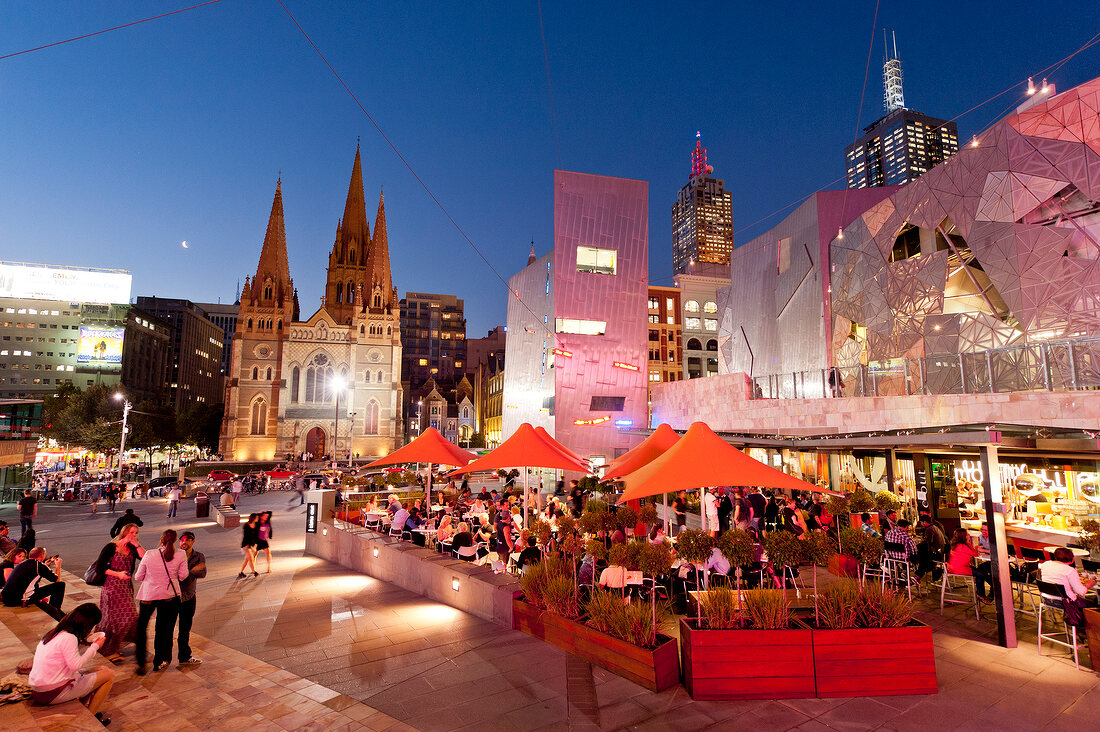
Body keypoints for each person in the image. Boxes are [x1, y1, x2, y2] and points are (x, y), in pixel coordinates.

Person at [28, 603, 114, 725]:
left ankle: (85, 711)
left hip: (40, 689)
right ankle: (89, 720)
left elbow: (70, 657)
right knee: (109, 674)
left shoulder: (55, 632)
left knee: (101, 669)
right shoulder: (69, 638)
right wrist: (95, 646)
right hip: (51, 693)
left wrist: (87, 644)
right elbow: (75, 665)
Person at [133, 530, 188, 675]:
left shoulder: (149, 554)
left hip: (148, 596)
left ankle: (140, 662)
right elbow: (183, 576)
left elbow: (138, 576)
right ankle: (159, 661)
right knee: (163, 629)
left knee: (141, 628)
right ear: (175, 540)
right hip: (169, 596)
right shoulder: (181, 554)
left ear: (161, 540)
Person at [94, 523, 145, 663]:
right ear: (124, 532)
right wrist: (118, 574)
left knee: (130, 616)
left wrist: (137, 544)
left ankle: (116, 645)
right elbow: (100, 568)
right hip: (111, 586)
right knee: (114, 619)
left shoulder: (132, 548)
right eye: (131, 532)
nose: (133, 535)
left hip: (126, 587)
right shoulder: (111, 547)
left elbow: (146, 558)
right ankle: (109, 649)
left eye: (136, 533)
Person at [1, 547, 65, 619]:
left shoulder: (22, 564)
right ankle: (55, 609)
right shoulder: (39, 566)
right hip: (17, 600)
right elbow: (56, 580)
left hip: (7, 598)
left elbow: (33, 577)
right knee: (60, 585)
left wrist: (45, 565)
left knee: (35, 584)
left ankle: (53, 609)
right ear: (41, 556)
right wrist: (58, 565)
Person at [177, 531, 206, 666]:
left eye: (187, 540)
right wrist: (192, 570)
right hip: (172, 596)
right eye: (182, 540)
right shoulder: (174, 555)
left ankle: (184, 656)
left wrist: (188, 572)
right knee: (166, 628)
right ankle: (163, 658)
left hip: (189, 597)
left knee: (185, 628)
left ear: (193, 541)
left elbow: (203, 572)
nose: (184, 542)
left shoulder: (199, 556)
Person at [946, 528, 991, 601]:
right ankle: (981, 594)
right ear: (964, 536)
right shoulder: (963, 546)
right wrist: (969, 542)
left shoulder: (956, 544)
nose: (968, 535)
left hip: (952, 567)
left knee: (980, 571)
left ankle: (982, 593)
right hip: (960, 569)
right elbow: (975, 554)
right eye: (967, 534)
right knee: (981, 574)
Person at [916, 516, 946, 581]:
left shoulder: (929, 529)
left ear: (925, 522)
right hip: (941, 552)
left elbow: (927, 543)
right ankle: (919, 575)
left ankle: (918, 575)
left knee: (921, 557)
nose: (921, 524)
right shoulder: (934, 527)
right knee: (922, 556)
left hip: (936, 553)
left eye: (921, 522)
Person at [238, 514, 260, 578]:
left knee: (247, 559)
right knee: (251, 558)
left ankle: (241, 572)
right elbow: (246, 536)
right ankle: (254, 572)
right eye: (256, 518)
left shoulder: (256, 525)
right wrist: (246, 545)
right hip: (246, 545)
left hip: (252, 545)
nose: (257, 519)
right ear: (253, 518)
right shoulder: (246, 526)